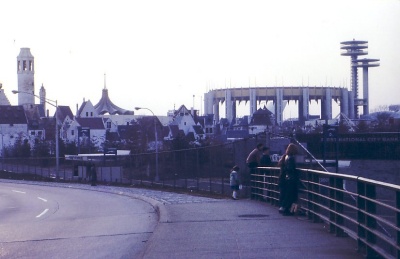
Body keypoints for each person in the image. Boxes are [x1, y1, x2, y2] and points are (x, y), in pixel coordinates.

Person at [278, 143, 298, 215]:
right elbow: (290, 168)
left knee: (287, 195)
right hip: (291, 179)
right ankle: (288, 209)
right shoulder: (291, 158)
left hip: (286, 179)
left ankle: (285, 208)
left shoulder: (286, 157)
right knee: (291, 195)